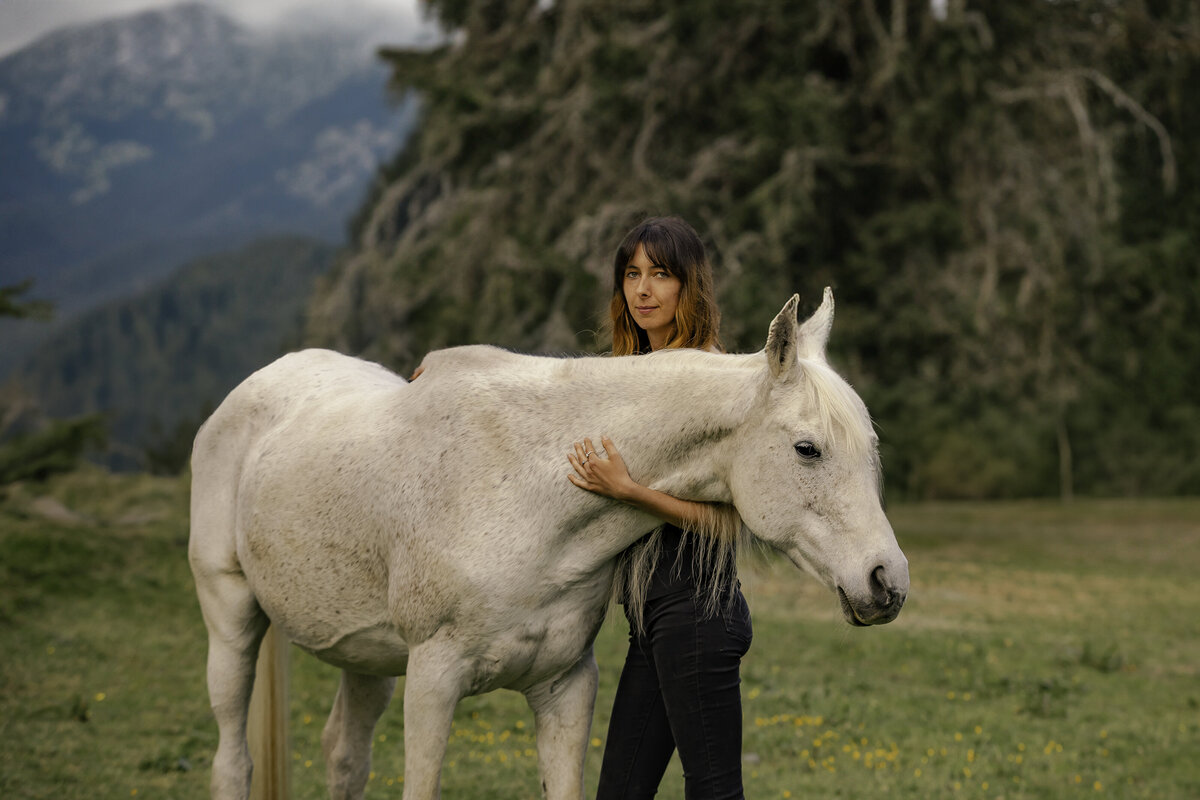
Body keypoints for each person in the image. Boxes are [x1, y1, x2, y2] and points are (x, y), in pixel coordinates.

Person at [567, 216, 751, 800]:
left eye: (661, 275)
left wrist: (631, 492)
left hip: (700, 612)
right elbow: (547, 403)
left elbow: (731, 522)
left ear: (688, 286)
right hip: (649, 623)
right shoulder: (630, 377)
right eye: (632, 274)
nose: (643, 290)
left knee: (715, 792)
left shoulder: (712, 378)